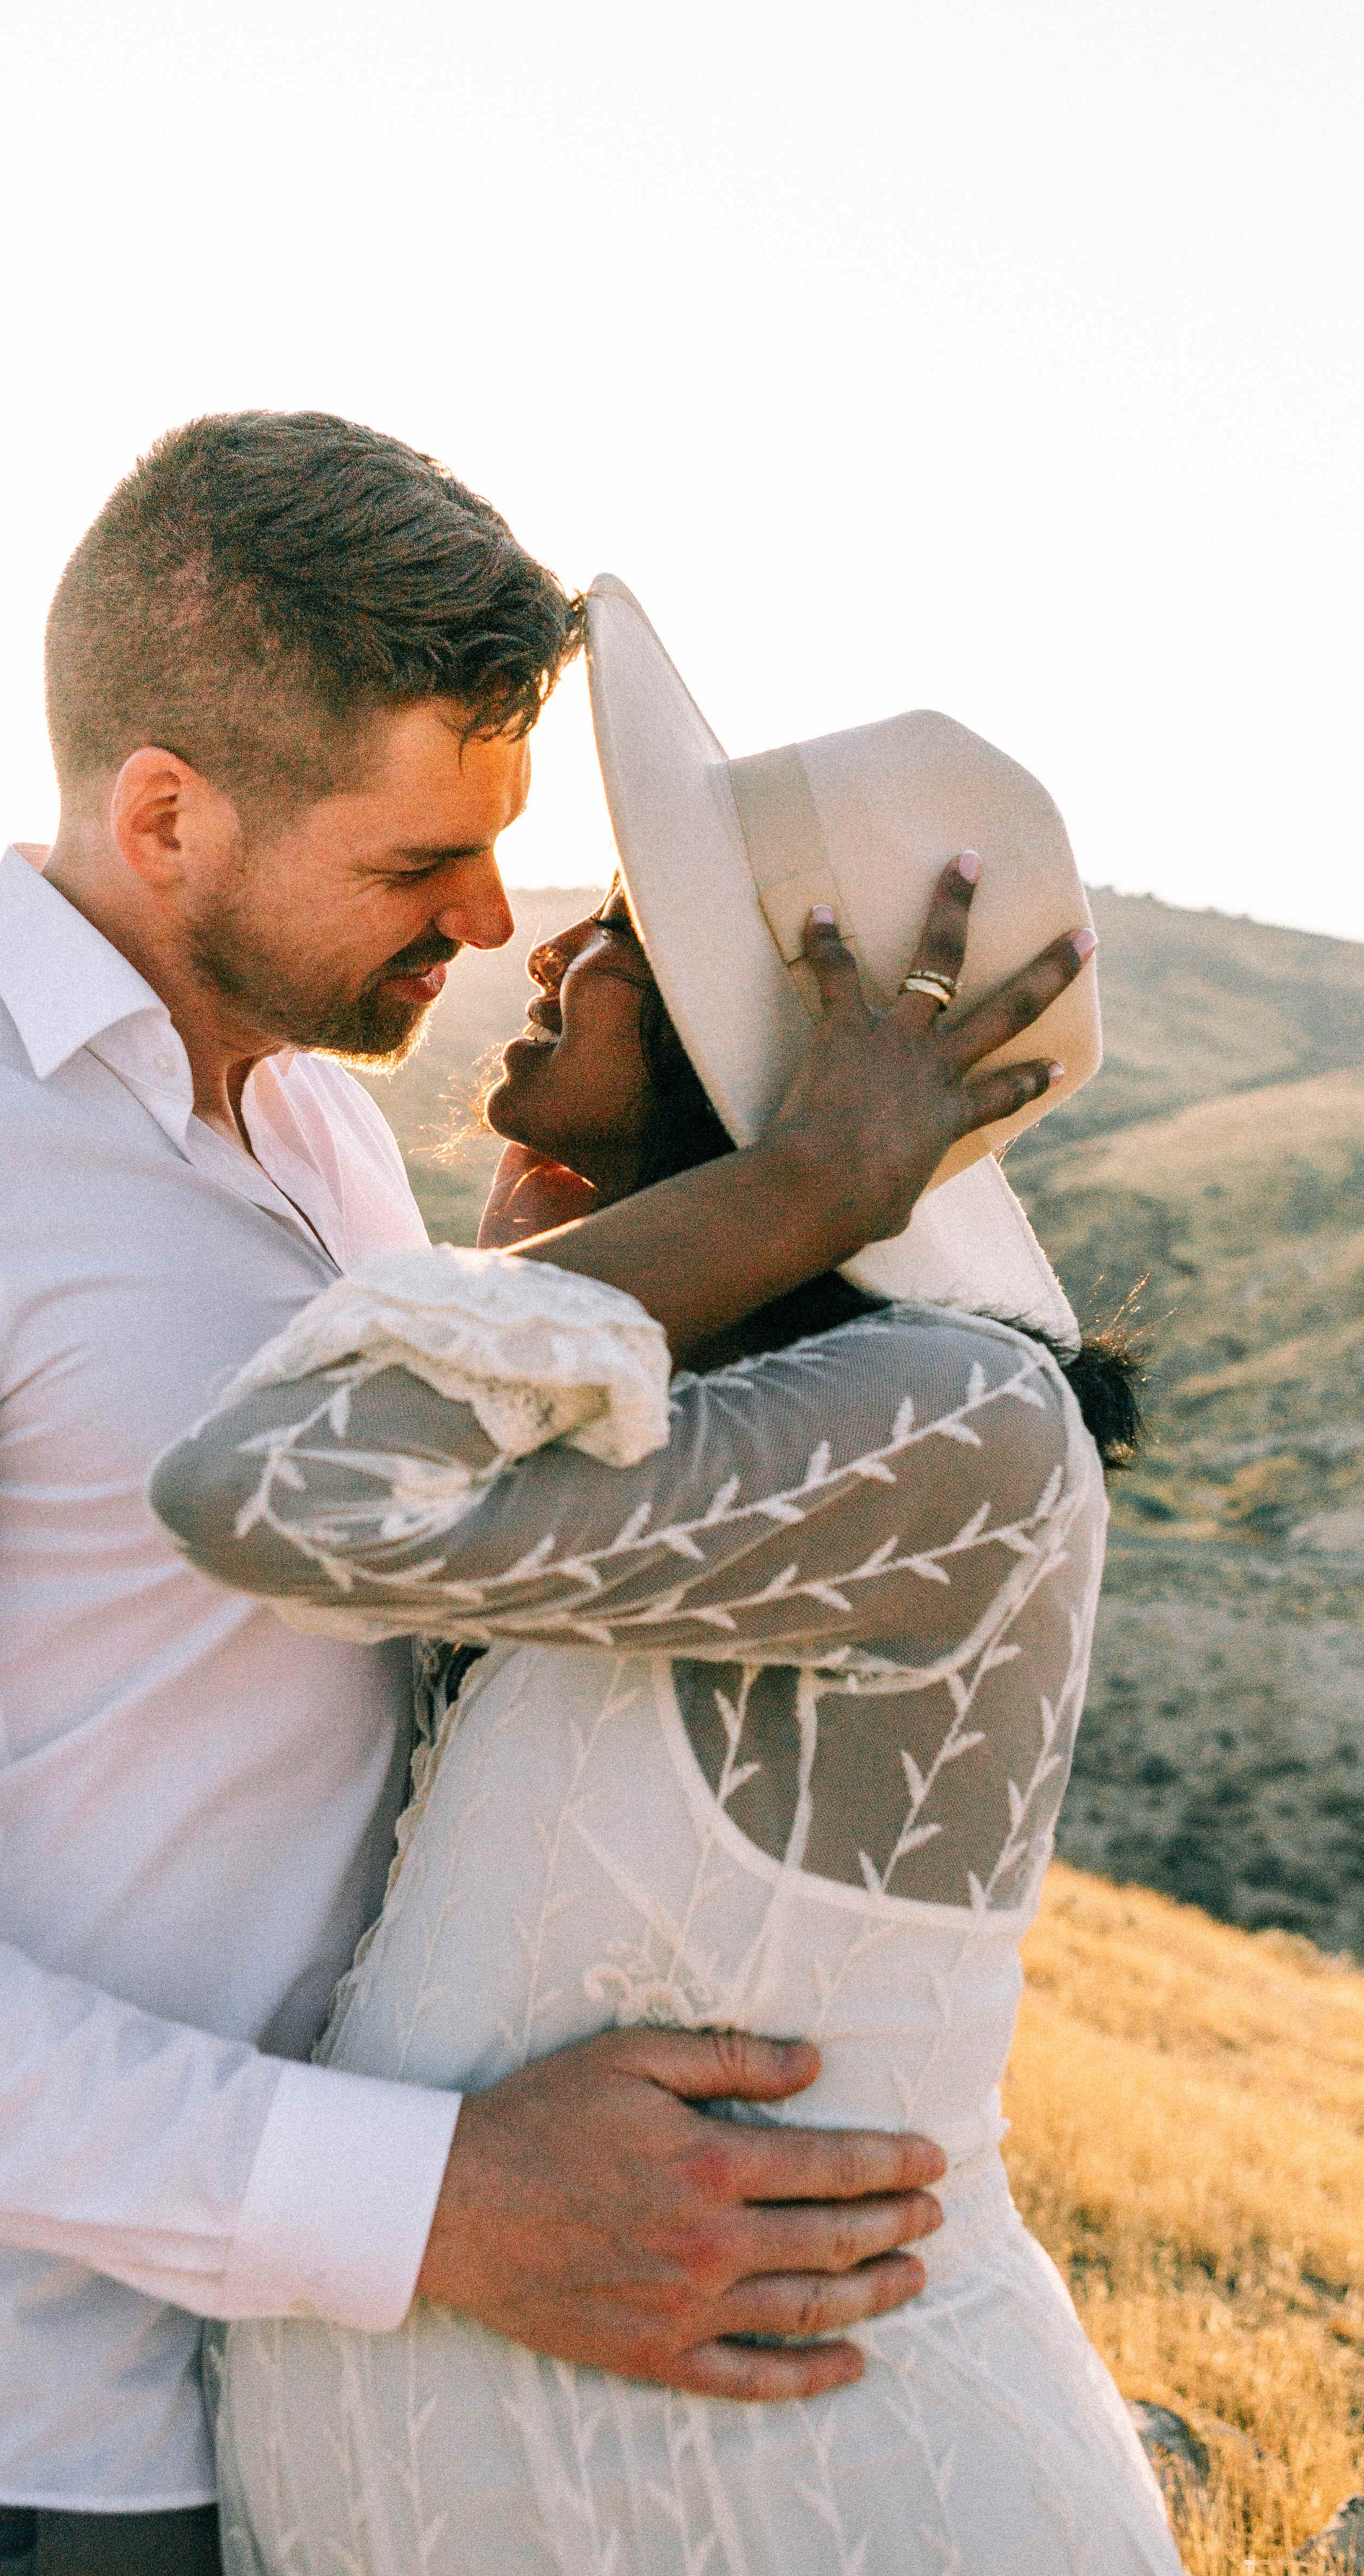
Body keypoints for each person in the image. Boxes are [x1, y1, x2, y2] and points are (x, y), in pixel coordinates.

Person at [0, 424, 1067, 2576]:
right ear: (163, 817)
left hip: (348, 2399)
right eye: (421, 869)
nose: (492, 921)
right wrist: (445, 2200)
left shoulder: (325, 1145)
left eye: (496, 850)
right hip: (43, 2433)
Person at [149, 579, 1181, 2574]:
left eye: (623, 935)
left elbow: (267, 1487)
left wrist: (789, 1187)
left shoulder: (958, 1429)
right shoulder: (691, 1403)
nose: (546, 945)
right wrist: (621, 1242)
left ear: (777, 1053)